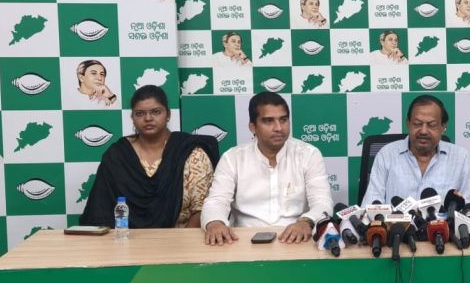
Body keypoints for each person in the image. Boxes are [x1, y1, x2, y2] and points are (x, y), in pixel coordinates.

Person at [202, 92, 334, 245]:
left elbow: (322, 202)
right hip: (243, 241)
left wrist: (306, 222)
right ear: (253, 127)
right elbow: (216, 201)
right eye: (268, 121)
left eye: (283, 120)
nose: (278, 128)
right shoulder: (233, 158)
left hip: (296, 240)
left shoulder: (309, 154)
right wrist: (215, 223)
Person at [80, 85, 220, 228]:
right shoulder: (118, 155)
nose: (148, 118)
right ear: (132, 118)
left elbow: (203, 210)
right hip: (125, 238)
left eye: (156, 112)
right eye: (140, 113)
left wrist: (179, 240)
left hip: (181, 238)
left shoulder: (192, 153)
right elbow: (99, 211)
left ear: (168, 114)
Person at [362, 95, 470, 205]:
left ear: (443, 127)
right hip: (395, 220)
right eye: (417, 124)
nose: (423, 131)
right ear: (408, 124)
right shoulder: (386, 155)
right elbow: (371, 206)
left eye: (431, 125)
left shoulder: (461, 157)